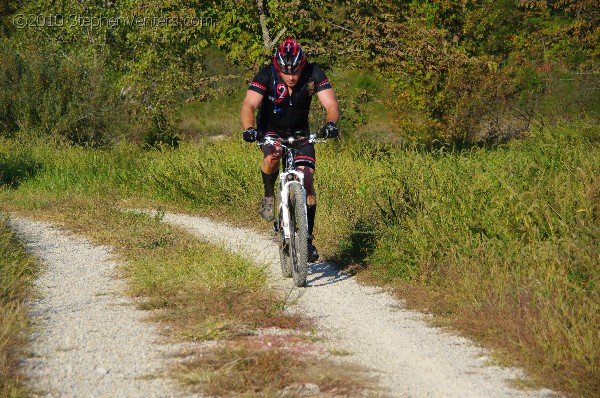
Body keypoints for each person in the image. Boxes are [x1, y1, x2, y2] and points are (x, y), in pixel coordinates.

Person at [240, 38, 340, 262]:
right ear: (277, 67)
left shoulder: (313, 73)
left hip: (301, 132)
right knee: (272, 158)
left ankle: (308, 240)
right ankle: (268, 196)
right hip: (271, 130)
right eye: (286, 72)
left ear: (302, 65)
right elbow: (249, 105)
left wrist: (331, 124)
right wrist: (249, 129)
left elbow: (331, 104)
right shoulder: (266, 75)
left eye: (295, 71)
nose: (291, 76)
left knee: (306, 177)